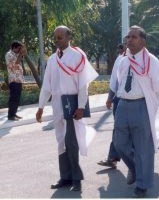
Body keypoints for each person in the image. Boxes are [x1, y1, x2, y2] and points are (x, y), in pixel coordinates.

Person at [35, 26, 98, 192]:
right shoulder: (52, 60)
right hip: (57, 105)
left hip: (72, 104)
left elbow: (83, 85)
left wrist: (81, 107)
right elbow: (46, 86)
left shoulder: (78, 56)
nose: (57, 41)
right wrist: (41, 106)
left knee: (71, 141)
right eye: (55, 38)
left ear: (69, 37)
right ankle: (65, 177)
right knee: (61, 142)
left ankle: (77, 179)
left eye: (60, 37)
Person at [113, 26, 159, 198]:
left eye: (133, 37)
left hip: (141, 106)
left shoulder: (151, 61)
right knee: (119, 143)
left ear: (142, 41)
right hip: (123, 105)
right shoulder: (123, 60)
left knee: (143, 147)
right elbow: (119, 81)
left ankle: (143, 184)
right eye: (128, 36)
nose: (129, 40)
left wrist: (151, 105)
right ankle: (136, 168)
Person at [98, 38, 128, 169]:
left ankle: (138, 163)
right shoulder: (120, 59)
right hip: (120, 100)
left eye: (133, 39)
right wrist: (110, 97)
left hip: (138, 102)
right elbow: (114, 81)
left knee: (136, 132)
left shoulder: (145, 59)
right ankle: (112, 158)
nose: (129, 44)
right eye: (127, 42)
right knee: (118, 129)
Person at [5, 41, 27, 120]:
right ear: (14, 47)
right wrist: (20, 54)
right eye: (19, 48)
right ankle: (10, 116)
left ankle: (14, 113)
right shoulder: (9, 54)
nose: (19, 50)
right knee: (13, 98)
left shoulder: (16, 55)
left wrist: (22, 53)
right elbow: (16, 64)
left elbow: (22, 58)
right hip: (13, 80)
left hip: (18, 80)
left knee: (17, 98)